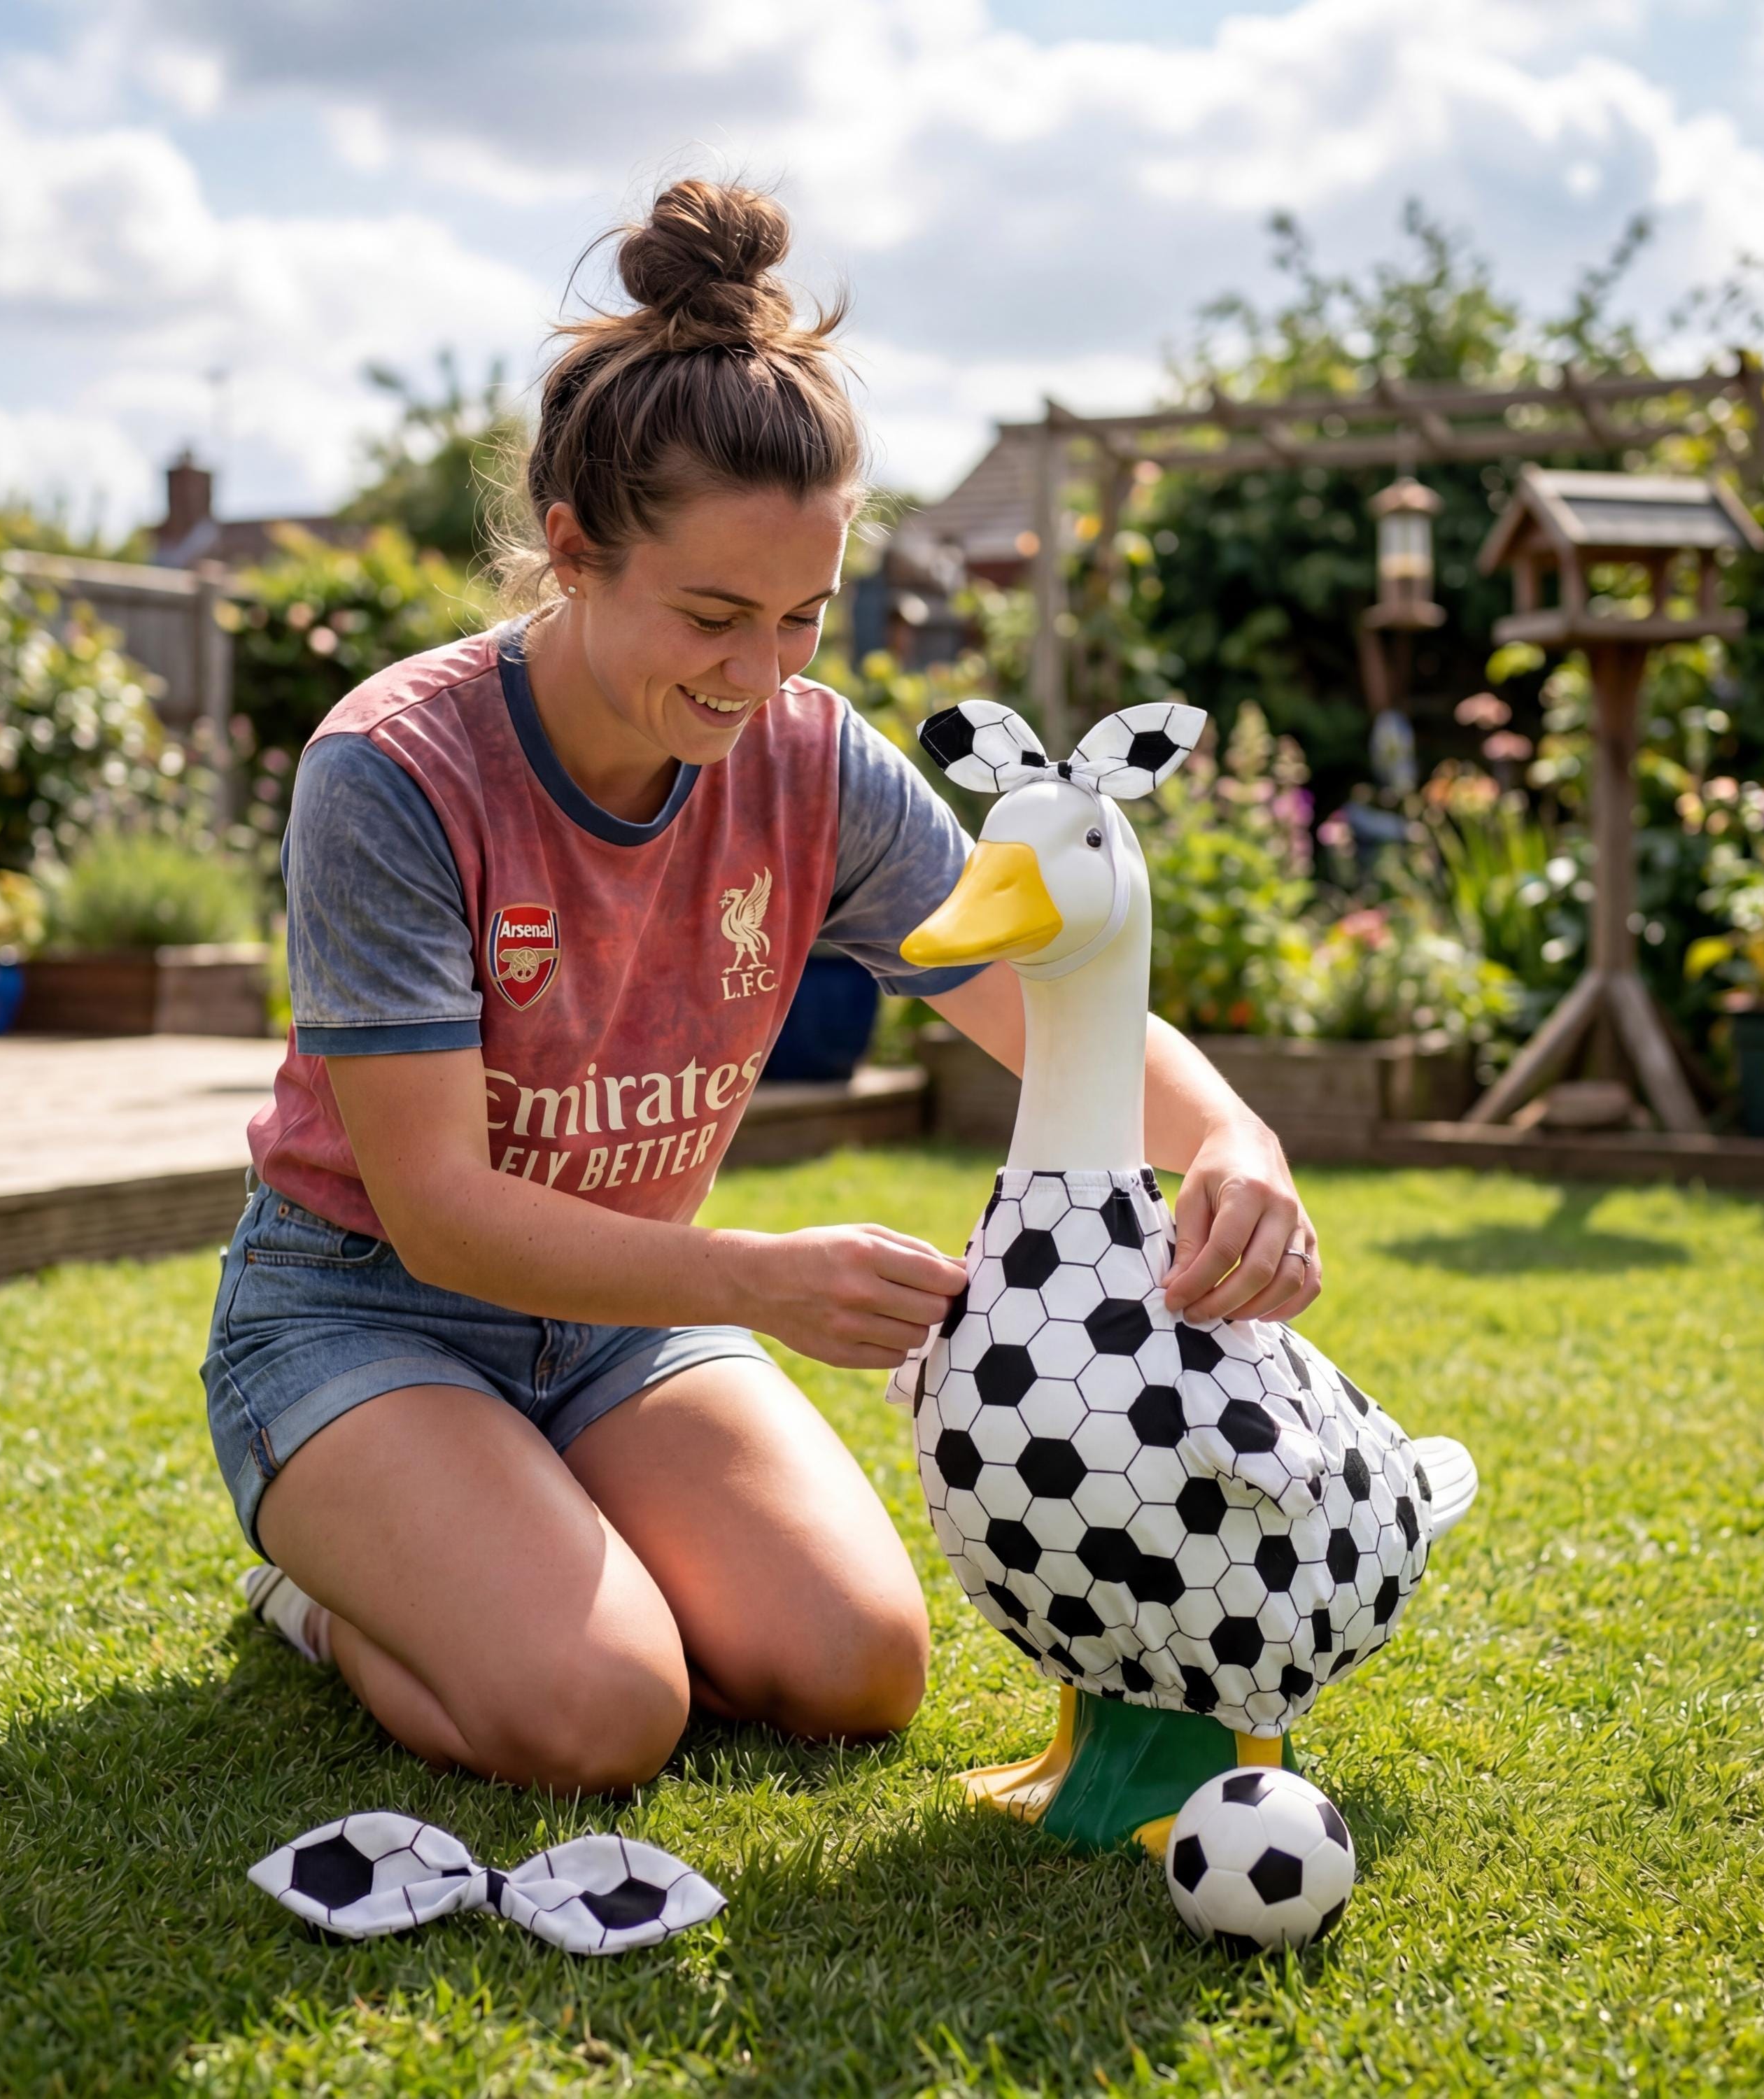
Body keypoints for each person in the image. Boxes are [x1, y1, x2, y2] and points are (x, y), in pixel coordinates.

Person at [208, 178, 1323, 1796]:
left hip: (620, 1328)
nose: (762, 676)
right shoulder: (393, 770)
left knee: (854, 1671)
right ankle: (320, 1589)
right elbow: (440, 1209)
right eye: (714, 617)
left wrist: (1234, 1138)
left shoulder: (811, 762)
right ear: (575, 551)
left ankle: (522, 1538)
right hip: (364, 1313)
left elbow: (1045, 1002)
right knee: (601, 1719)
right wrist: (757, 1280)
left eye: (803, 617)